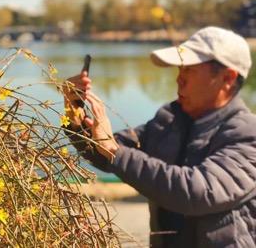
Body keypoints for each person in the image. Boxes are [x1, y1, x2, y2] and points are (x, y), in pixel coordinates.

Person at [63, 26, 256, 248]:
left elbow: (197, 193)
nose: (179, 80)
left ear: (227, 78)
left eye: (189, 71)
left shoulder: (248, 133)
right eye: (179, 71)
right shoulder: (169, 120)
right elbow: (106, 154)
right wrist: (74, 117)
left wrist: (113, 149)